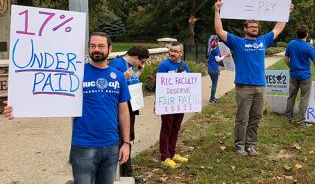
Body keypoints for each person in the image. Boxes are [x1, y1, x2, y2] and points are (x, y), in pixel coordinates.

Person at [4, 32, 131, 184]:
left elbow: (123, 112)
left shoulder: (119, 77)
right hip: (84, 145)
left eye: (101, 46)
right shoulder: (75, 73)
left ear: (109, 49)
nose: (96, 49)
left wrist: (126, 143)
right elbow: (49, 94)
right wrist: (19, 106)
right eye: (92, 46)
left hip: (111, 145)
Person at [214, 0, 294, 156]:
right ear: (245, 29)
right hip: (243, 86)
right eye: (251, 27)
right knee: (242, 119)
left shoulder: (263, 40)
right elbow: (219, 31)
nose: (254, 29)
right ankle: (239, 146)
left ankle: (251, 145)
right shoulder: (237, 42)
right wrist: (217, 11)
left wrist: (286, 13)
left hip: (260, 86)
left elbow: (278, 28)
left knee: (256, 117)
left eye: (256, 27)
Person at [109, 45, 150, 177]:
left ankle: (127, 172)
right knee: (121, 138)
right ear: (136, 57)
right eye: (141, 61)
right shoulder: (118, 63)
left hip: (132, 105)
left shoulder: (131, 66)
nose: (141, 64)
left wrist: (139, 73)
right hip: (122, 105)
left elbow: (130, 82)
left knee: (127, 138)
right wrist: (123, 76)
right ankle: (122, 173)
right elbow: (111, 83)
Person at [284, 25, 315, 124]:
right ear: (307, 34)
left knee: (291, 96)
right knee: (304, 98)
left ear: (297, 34)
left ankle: (288, 117)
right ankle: (300, 121)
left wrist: (291, 67)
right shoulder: (308, 47)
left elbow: (286, 58)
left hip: (294, 75)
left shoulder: (291, 44)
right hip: (305, 76)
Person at [156, 42, 190, 169]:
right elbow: (159, 86)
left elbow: (189, 85)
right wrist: (157, 102)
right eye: (171, 50)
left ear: (181, 53)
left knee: (175, 128)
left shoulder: (185, 65)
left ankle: (172, 153)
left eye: (176, 51)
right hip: (167, 103)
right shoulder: (164, 65)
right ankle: (165, 157)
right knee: (166, 128)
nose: (173, 53)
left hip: (180, 103)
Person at [207, 35, 230, 103]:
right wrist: (225, 55)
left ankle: (213, 97)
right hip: (214, 69)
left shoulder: (210, 49)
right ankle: (212, 99)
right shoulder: (216, 49)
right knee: (214, 84)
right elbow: (218, 60)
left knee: (213, 84)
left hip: (210, 69)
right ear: (216, 41)